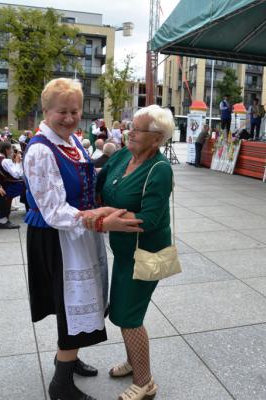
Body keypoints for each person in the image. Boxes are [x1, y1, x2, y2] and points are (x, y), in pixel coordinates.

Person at [23, 78, 143, 400]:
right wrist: (102, 221)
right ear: (46, 111)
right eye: (62, 111)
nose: (69, 117)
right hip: (57, 237)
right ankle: (60, 385)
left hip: (80, 232)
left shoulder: (72, 141)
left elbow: (87, 186)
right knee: (72, 305)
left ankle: (69, 358)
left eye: (75, 111)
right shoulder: (40, 150)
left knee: (82, 303)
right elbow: (52, 210)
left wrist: (104, 204)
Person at [96, 104, 175, 400]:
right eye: (130, 126)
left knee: (129, 315)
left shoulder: (160, 169)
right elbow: (99, 183)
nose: (129, 132)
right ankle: (134, 361)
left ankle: (145, 383)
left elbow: (151, 219)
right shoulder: (120, 157)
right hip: (124, 251)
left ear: (156, 138)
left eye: (137, 129)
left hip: (148, 255)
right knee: (120, 310)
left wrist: (105, 219)